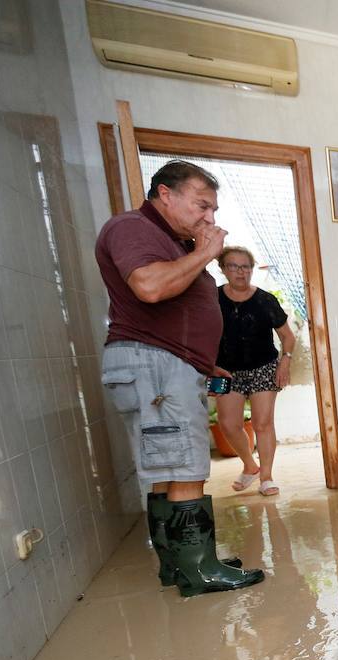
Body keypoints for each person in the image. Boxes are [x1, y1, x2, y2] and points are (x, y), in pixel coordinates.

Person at [95, 160, 264, 598]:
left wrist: (204, 363)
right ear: (165, 194)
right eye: (202, 205)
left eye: (212, 209)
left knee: (168, 468)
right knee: (185, 464)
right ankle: (199, 569)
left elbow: (174, 310)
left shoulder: (169, 241)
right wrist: (206, 254)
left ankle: (180, 565)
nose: (210, 218)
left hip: (166, 365)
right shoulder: (132, 228)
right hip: (156, 367)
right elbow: (149, 288)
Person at [214, 246, 296, 498]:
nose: (240, 272)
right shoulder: (212, 299)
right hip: (224, 370)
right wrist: (208, 365)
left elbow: (287, 336)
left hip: (263, 367)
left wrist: (285, 362)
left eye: (245, 266)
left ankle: (266, 476)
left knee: (263, 422)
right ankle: (250, 465)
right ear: (223, 269)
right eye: (234, 266)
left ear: (251, 269)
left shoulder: (265, 300)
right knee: (228, 424)